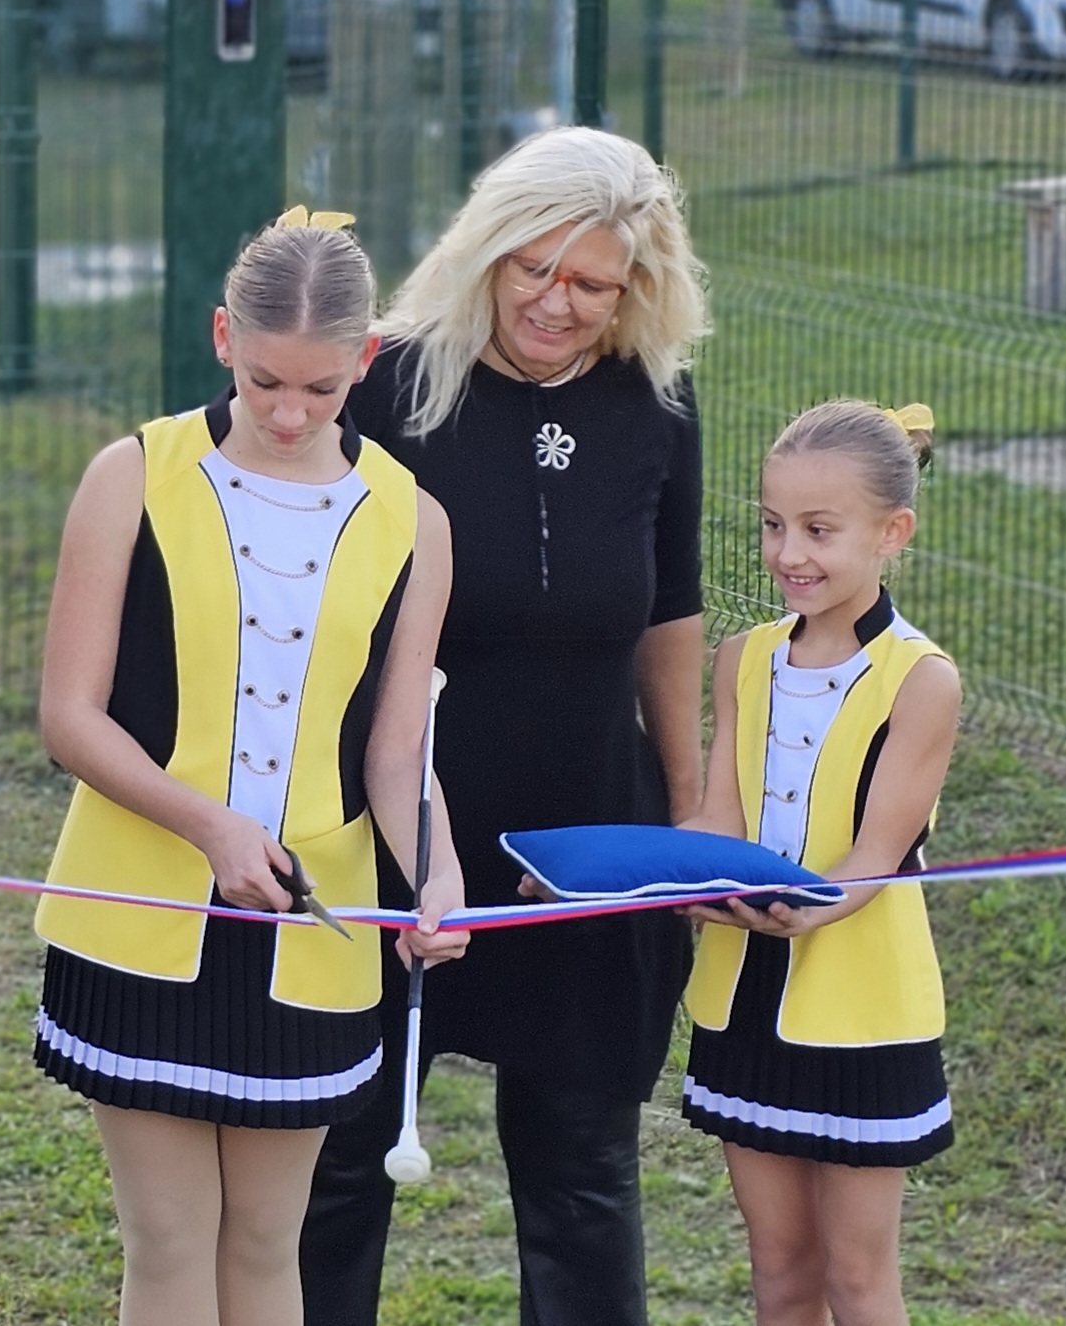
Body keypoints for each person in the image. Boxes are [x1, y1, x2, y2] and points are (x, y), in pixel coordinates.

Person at [302, 127, 714, 1326]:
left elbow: (672, 612)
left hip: (587, 833)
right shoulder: (382, 386)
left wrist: (683, 819)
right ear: (485, 253)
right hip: (398, 827)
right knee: (339, 1163)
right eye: (533, 268)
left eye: (592, 281)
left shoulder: (657, 407)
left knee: (585, 1171)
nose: (557, 300)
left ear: (636, 286)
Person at [33, 208, 468, 1326]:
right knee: (170, 1246)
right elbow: (70, 716)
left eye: (321, 390)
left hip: (315, 940)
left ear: (366, 361)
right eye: (266, 379)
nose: (288, 412)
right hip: (135, 920)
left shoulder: (415, 521)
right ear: (224, 336)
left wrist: (436, 868)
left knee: (271, 1247)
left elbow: (395, 747)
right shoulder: (129, 474)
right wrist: (209, 827)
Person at [682, 401, 959, 1326]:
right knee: (781, 1270)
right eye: (771, 525)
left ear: (892, 534)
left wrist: (799, 907)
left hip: (859, 1012)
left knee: (855, 1279)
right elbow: (719, 821)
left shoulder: (920, 681)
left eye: (817, 530)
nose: (786, 553)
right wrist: (654, 879)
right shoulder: (740, 659)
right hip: (743, 999)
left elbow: (877, 854)